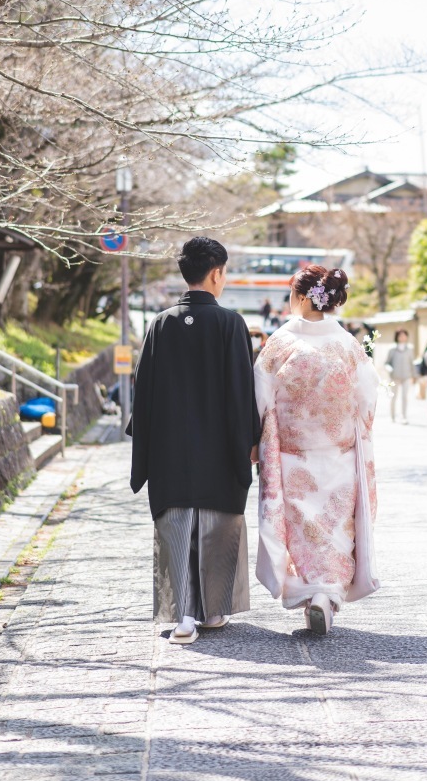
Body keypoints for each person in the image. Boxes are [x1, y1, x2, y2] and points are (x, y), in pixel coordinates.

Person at [128, 237, 261, 646]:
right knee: (217, 525)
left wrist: (144, 446)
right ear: (216, 273)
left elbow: (143, 393)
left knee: (176, 526)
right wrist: (249, 440)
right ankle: (214, 610)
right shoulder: (231, 323)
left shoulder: (161, 324)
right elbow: (241, 392)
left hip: (170, 449)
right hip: (219, 448)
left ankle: (183, 616)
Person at [254, 264, 379, 635]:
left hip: (293, 458)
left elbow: (260, 398)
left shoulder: (281, 343)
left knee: (302, 530)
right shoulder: (347, 344)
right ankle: (326, 595)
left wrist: (258, 437)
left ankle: (313, 594)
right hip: (339, 456)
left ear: (302, 296)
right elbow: (367, 399)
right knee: (335, 527)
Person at [385, 329, 415, 424]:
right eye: (400, 335)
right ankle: (392, 416)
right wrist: (390, 369)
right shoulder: (392, 349)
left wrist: (414, 375)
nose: (402, 337)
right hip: (394, 376)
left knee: (404, 397)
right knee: (394, 397)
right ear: (397, 337)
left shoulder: (410, 349)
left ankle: (404, 416)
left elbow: (412, 363)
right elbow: (387, 363)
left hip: (406, 376)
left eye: (404, 335)